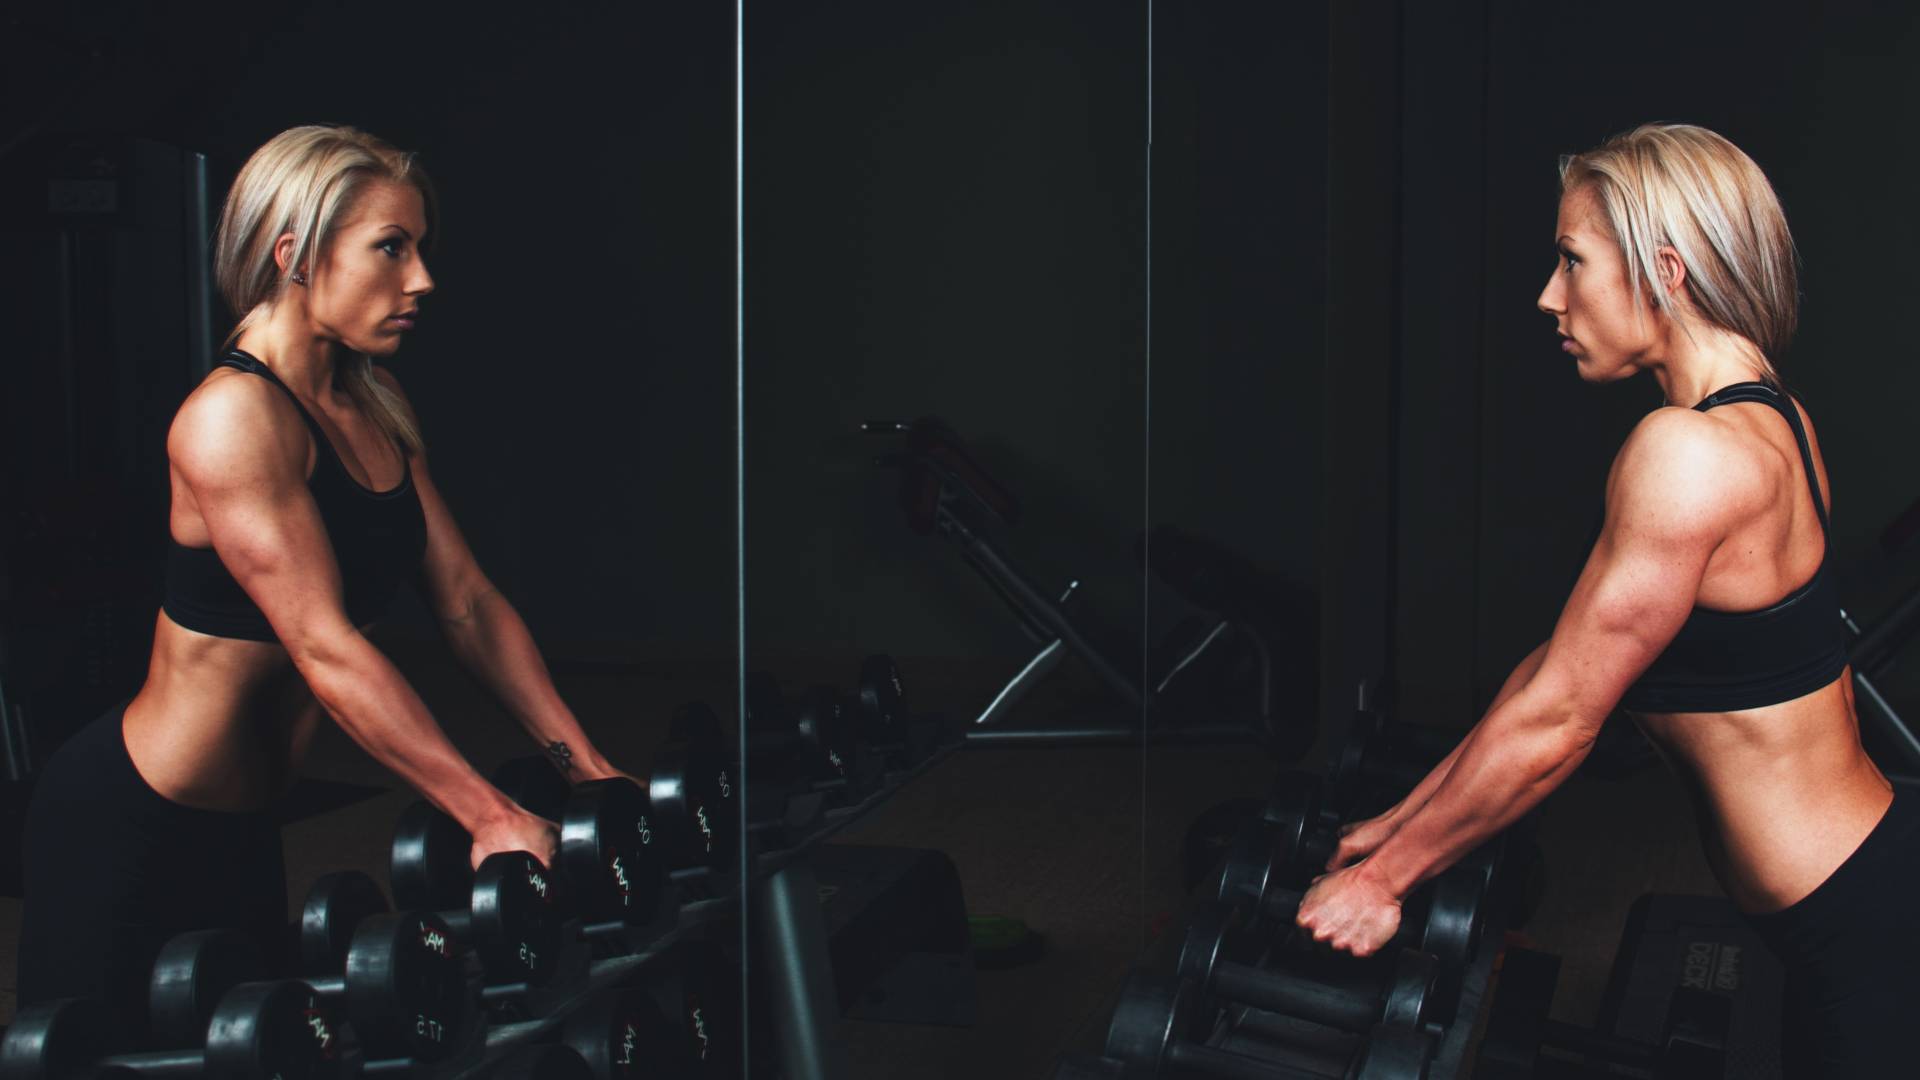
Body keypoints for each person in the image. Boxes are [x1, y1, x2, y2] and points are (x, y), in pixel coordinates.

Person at [1294, 123, 1912, 1076]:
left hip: (1862, 926)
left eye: (1572, 260)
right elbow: (1556, 669)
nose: (1550, 295)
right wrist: (1404, 824)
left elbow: (1567, 720)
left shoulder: (1686, 455)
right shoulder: (1772, 416)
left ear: (1663, 269)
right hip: (1863, 887)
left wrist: (1383, 884)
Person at [16, 124, 629, 1031]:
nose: (421, 279)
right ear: (294, 252)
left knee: (250, 1045)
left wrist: (589, 773)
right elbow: (323, 646)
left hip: (246, 829)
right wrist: (489, 815)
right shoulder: (231, 419)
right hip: (132, 823)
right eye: (391, 247)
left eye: (419, 247)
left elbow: (467, 603)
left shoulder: (370, 402)